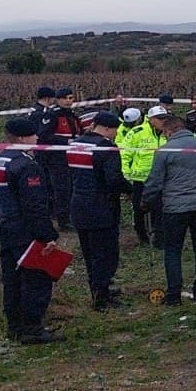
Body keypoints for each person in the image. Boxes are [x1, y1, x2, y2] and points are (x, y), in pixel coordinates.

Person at [0, 118, 64, 344]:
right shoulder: (26, 165)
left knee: (12, 278)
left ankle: (15, 326)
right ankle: (32, 328)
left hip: (6, 225)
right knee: (35, 278)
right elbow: (34, 206)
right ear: (22, 138)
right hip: (26, 230)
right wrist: (47, 235)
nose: (38, 139)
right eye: (34, 135)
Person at [143, 115, 196, 305]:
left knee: (173, 250)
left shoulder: (165, 150)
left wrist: (146, 201)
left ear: (168, 131)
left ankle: (174, 294)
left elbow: (155, 181)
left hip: (175, 206)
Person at [68, 112, 130, 311]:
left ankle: (96, 288)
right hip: (102, 207)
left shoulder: (75, 144)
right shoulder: (106, 147)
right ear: (108, 128)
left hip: (79, 203)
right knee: (106, 253)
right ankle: (102, 295)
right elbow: (113, 179)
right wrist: (131, 190)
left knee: (89, 252)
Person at [121, 105, 169, 247]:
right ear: (151, 119)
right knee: (139, 209)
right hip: (140, 179)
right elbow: (124, 155)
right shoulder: (137, 132)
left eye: (165, 118)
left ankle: (159, 238)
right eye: (159, 119)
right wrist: (126, 176)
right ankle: (142, 236)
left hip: (161, 180)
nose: (163, 121)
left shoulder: (168, 133)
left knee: (160, 209)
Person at [37, 87, 82, 231]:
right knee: (62, 189)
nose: (68, 101)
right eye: (65, 98)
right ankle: (63, 221)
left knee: (72, 188)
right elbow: (43, 136)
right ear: (58, 99)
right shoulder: (52, 115)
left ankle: (71, 216)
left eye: (71, 98)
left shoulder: (72, 115)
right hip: (57, 158)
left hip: (73, 157)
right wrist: (64, 142)